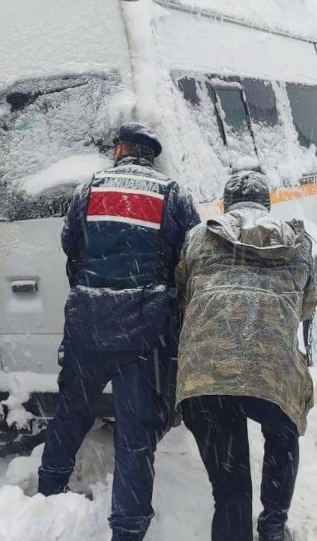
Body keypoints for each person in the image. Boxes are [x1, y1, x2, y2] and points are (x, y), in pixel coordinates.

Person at [37, 122, 201, 541]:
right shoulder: (172, 194)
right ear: (150, 155)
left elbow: (71, 247)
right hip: (142, 333)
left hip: (88, 323)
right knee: (135, 433)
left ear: (120, 151)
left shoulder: (88, 189)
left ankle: (45, 498)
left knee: (72, 415)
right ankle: (128, 529)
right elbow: (191, 257)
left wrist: (94, 288)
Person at [174, 170, 317, 541]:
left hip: (204, 374)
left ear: (224, 206)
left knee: (230, 488)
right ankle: (272, 527)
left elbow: (183, 296)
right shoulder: (297, 242)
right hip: (271, 371)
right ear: (268, 205)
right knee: (283, 433)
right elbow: (306, 305)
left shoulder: (197, 237)